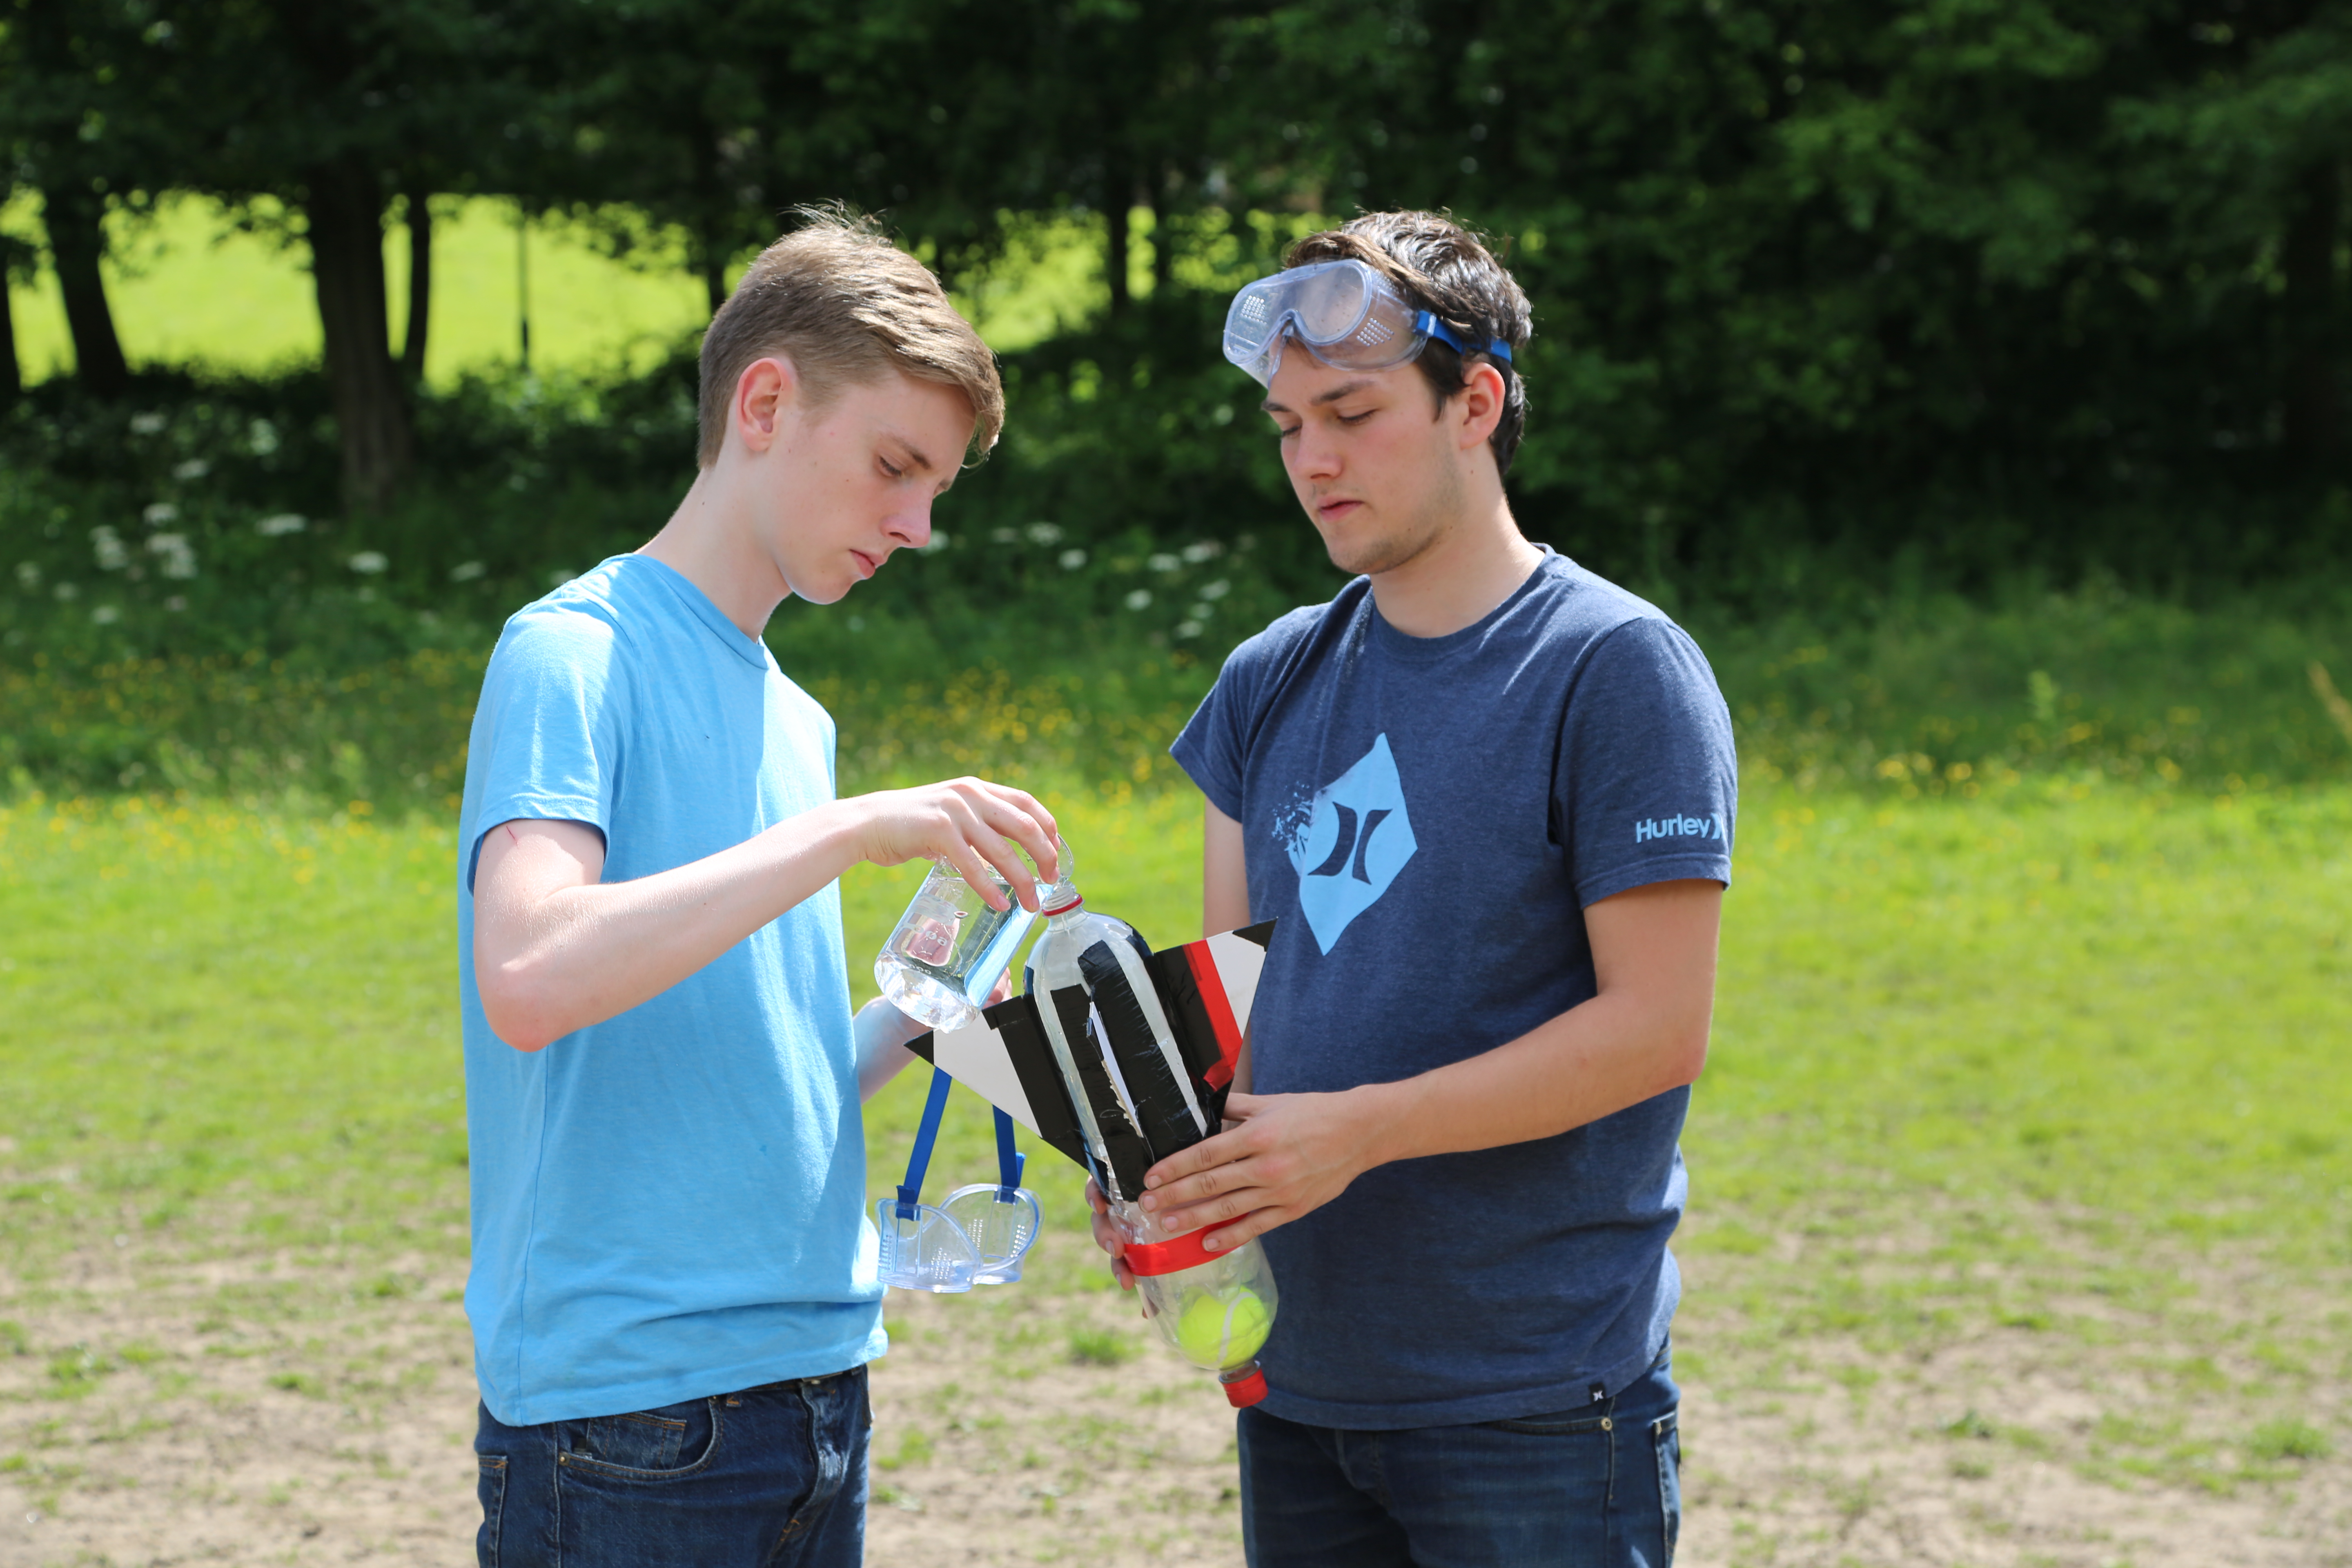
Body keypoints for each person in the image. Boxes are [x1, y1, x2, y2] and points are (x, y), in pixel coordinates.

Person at [1094, 212, 1736, 1566]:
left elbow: (1656, 1028)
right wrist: (1165, 1166)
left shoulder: (1614, 668)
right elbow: (1235, 1010)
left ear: (1476, 402)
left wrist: (1360, 1132)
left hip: (1536, 1402)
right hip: (1295, 1378)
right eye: (1285, 425)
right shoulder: (1269, 679)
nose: (1311, 459)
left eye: (1352, 411)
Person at [457, 211, 1059, 1568]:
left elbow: (758, 1091)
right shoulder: (574, 655)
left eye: (936, 493)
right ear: (767, 403)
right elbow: (533, 974)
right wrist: (846, 837)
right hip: (631, 1427)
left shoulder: (798, 718)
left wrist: (922, 1014)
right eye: (895, 469)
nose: (913, 527)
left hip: (816, 1394)